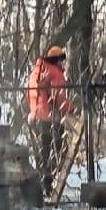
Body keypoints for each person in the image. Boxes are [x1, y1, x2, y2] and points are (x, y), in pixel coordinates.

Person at [24, 44, 72, 192]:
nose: (62, 63)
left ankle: (40, 183)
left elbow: (28, 94)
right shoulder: (55, 73)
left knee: (42, 153)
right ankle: (47, 181)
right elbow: (60, 96)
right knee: (61, 150)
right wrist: (71, 109)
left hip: (34, 118)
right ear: (56, 60)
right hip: (51, 119)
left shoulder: (35, 73)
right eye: (61, 60)